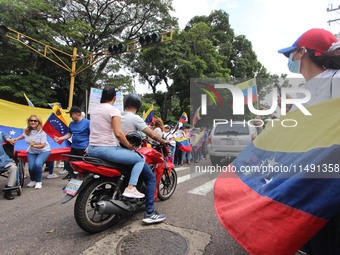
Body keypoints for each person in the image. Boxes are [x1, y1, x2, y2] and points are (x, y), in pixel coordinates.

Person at [278, 28, 340, 255]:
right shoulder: (307, 90)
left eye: (291, 54)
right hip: (309, 185)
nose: (290, 60)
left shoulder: (335, 81)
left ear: (303, 52)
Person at [87, 87, 145, 200]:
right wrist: (129, 146)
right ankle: (131, 187)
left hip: (91, 149)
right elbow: (118, 133)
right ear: (114, 98)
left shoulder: (94, 110)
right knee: (140, 158)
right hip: (106, 150)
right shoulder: (113, 110)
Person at [121, 93, 168, 223]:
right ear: (138, 105)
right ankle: (150, 212)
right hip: (127, 153)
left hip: (113, 151)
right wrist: (163, 141)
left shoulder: (117, 115)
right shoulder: (135, 118)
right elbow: (151, 134)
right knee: (151, 178)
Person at [14, 115, 51, 189]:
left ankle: (38, 181)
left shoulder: (42, 131)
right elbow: (23, 136)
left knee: (38, 164)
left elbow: (42, 145)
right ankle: (33, 180)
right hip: (31, 151)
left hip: (43, 150)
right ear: (29, 121)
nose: (33, 122)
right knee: (31, 167)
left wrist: (34, 146)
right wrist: (16, 139)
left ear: (38, 122)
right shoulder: (26, 129)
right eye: (31, 120)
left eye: (35, 121)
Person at [54, 106, 90, 178]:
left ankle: (82, 180)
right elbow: (69, 134)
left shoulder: (88, 123)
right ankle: (74, 178)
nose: (70, 116)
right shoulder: (71, 124)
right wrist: (60, 138)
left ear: (77, 114)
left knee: (82, 166)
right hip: (74, 147)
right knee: (68, 164)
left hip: (83, 148)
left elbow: (93, 135)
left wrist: (89, 147)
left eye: (71, 114)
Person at [0, 131, 17, 200]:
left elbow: (4, 134)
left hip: (3, 160)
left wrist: (8, 139)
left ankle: (8, 190)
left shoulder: (1, 134)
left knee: (13, 168)